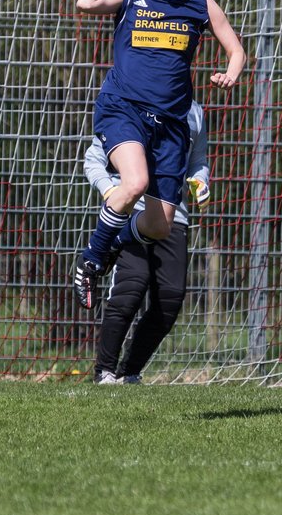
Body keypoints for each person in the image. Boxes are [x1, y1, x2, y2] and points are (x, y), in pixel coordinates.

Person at [72, 0, 247, 309]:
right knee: (134, 182)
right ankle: (91, 259)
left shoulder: (200, 2)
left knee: (158, 226)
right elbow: (85, 4)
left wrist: (231, 73)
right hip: (123, 109)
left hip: (171, 123)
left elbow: (236, 50)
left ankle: (114, 240)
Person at [85, 100, 209, 384]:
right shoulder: (129, 102)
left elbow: (197, 162)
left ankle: (130, 372)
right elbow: (93, 160)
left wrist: (201, 181)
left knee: (170, 299)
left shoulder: (194, 112)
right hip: (133, 217)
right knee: (130, 289)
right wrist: (113, 195)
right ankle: (104, 372)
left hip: (171, 220)